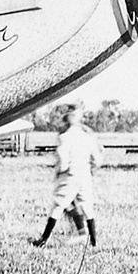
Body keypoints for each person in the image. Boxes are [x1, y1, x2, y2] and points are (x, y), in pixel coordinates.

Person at [30, 103, 104, 248]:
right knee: (88, 208)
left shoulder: (64, 137)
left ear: (68, 118)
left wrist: (58, 172)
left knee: (58, 206)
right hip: (85, 175)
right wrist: (91, 169)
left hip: (70, 176)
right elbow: (98, 160)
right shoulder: (88, 137)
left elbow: (63, 163)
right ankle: (94, 242)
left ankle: (44, 240)